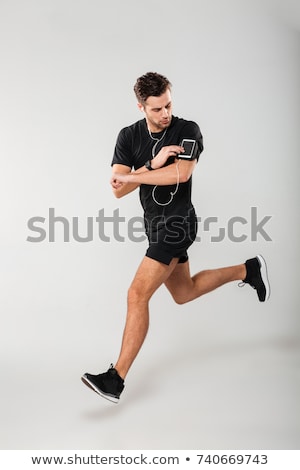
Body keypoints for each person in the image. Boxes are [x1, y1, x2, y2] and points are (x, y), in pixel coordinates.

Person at [81, 72, 270, 403]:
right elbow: (117, 191)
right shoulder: (128, 136)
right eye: (156, 109)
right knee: (184, 292)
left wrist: (135, 175)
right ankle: (247, 269)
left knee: (136, 294)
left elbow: (180, 173)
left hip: (178, 223)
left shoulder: (186, 130)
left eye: (168, 104)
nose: (165, 113)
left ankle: (116, 378)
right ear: (140, 106)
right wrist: (150, 164)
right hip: (155, 226)